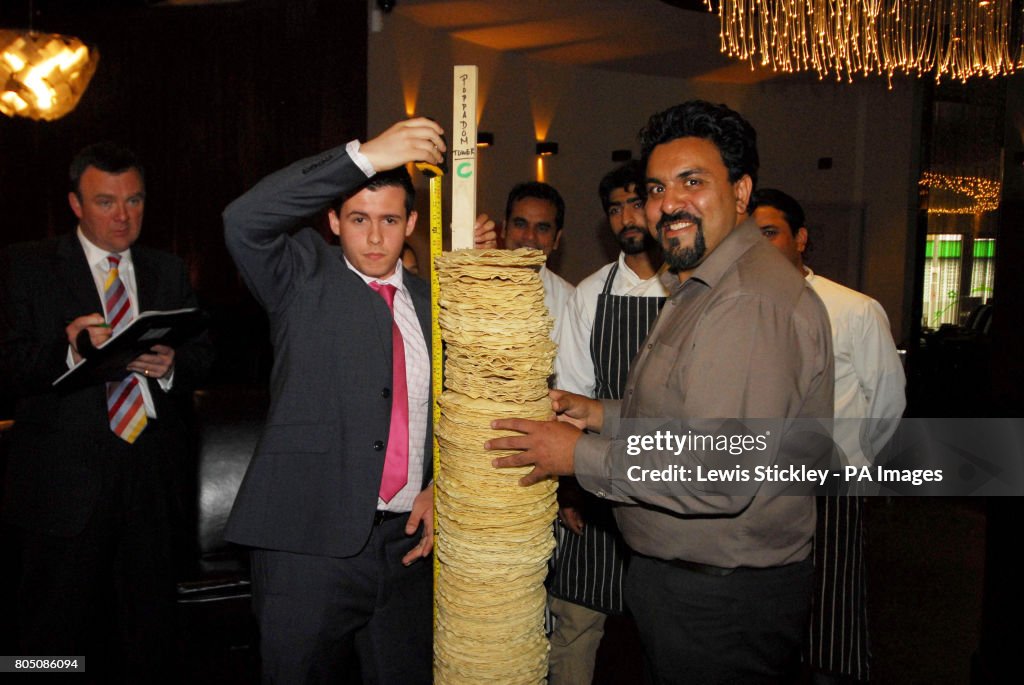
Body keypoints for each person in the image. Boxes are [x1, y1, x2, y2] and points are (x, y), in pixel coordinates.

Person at [488, 100, 835, 684]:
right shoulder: (703, 285)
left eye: (691, 182)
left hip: (720, 601)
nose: (668, 203)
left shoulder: (747, 299)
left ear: (742, 191)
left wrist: (575, 455)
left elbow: (717, 468)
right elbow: (687, 418)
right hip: (690, 587)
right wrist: (600, 414)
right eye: (656, 188)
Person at [222, 117, 496, 684]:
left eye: (390, 220)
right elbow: (243, 219)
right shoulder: (300, 276)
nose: (374, 238)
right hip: (306, 547)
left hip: (407, 553)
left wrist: (439, 485)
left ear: (412, 223)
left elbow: (465, 411)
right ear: (332, 220)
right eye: (359, 219)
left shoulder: (435, 301)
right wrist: (365, 156)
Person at [0, 142, 213, 681]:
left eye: (135, 201)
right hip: (63, 486)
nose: (123, 216)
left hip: (151, 481)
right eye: (106, 202)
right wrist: (69, 350)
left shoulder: (166, 268)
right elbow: (8, 363)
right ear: (75, 204)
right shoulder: (26, 266)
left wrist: (171, 365)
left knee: (148, 634)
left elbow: (206, 354)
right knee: (49, 637)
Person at [750, 188, 906, 684]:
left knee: (832, 620)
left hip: (831, 488)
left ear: (800, 238)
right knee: (765, 617)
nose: (759, 246)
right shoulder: (744, 310)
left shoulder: (854, 310)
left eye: (770, 233)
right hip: (763, 486)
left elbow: (886, 403)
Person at [547, 160, 667, 685]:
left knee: (666, 633)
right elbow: (572, 395)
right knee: (575, 623)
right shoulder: (589, 293)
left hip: (671, 479)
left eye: (636, 202)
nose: (626, 218)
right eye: (615, 209)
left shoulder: (691, 288)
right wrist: (571, 490)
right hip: (597, 480)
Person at [501, 181, 574, 324]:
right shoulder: (472, 288)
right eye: (520, 224)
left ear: (556, 239)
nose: (529, 236)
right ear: (504, 229)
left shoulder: (570, 303)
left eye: (542, 228)